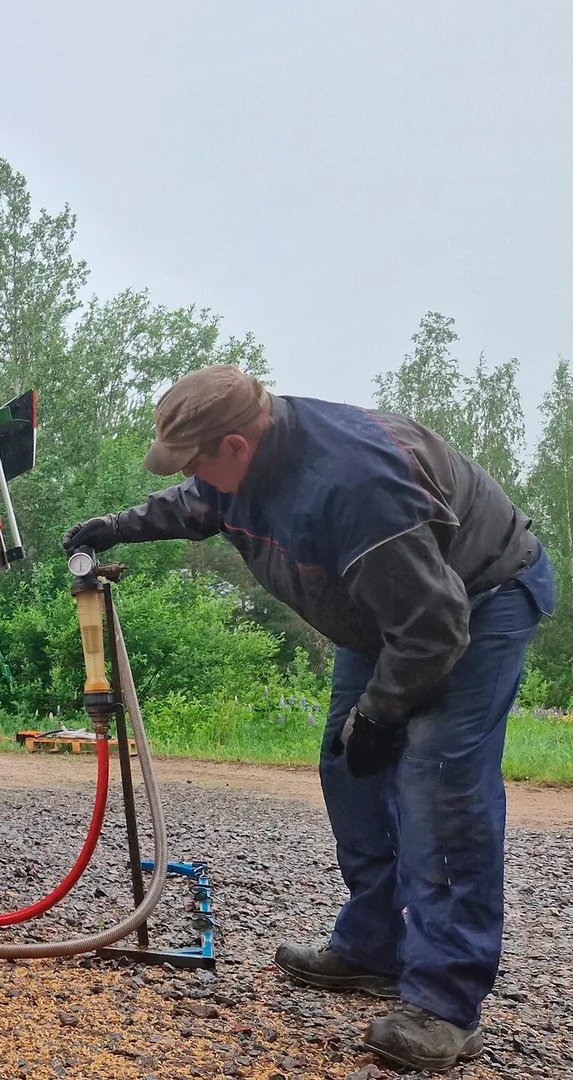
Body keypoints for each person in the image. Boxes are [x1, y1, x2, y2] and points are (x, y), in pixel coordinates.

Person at [63, 365, 554, 1073]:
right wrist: (116, 528)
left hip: (472, 604)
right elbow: (197, 504)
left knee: (436, 784)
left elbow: (434, 628)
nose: (196, 476)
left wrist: (384, 713)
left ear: (237, 443)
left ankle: (446, 1004)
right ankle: (372, 948)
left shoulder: (355, 484)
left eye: (200, 460)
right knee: (345, 761)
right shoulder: (244, 463)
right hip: (385, 616)